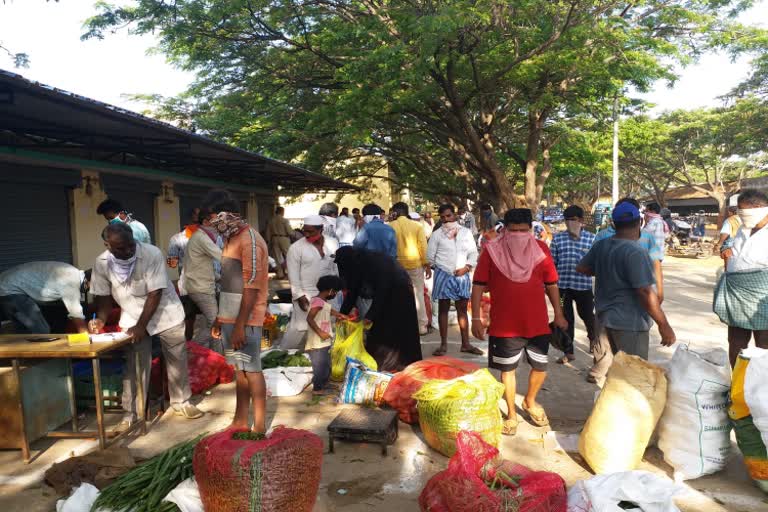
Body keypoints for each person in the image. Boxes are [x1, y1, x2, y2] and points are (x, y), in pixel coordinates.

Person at [89, 223, 203, 430]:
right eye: (120, 248)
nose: (127, 251)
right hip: (132, 317)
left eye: (130, 245)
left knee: (176, 359)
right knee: (135, 365)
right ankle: (132, 413)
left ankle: (181, 402)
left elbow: (155, 293)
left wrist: (142, 326)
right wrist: (101, 320)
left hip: (165, 313)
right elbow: (104, 298)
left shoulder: (151, 253)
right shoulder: (101, 263)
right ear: (107, 245)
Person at [471, 208, 568, 436]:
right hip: (505, 324)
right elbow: (478, 284)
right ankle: (512, 416)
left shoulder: (541, 250)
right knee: (508, 370)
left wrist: (560, 313)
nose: (518, 235)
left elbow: (551, 284)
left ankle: (530, 401)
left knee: (540, 366)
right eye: (513, 230)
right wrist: (476, 317)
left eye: (523, 231)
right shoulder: (491, 251)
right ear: (505, 229)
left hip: (537, 322)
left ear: (530, 230)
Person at [577, 202, 676, 385]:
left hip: (605, 318)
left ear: (613, 224)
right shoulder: (636, 252)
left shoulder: (603, 245)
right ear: (639, 221)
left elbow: (582, 267)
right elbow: (645, 292)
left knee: (616, 372)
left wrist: (608, 269)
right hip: (630, 323)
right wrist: (664, 325)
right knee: (633, 377)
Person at [202, 190, 270, 432]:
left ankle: (259, 426)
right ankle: (240, 419)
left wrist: (240, 325)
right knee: (240, 371)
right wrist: (221, 319)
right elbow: (230, 282)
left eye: (213, 217)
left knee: (252, 371)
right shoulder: (230, 238)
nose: (211, 223)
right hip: (231, 316)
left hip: (247, 319)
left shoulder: (250, 240)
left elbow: (251, 287)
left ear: (227, 215)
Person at [336, 246, 423, 371]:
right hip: (386, 294)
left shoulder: (375, 263)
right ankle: (383, 362)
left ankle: (398, 364)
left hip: (399, 292)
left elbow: (382, 291)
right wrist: (341, 314)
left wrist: (369, 316)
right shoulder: (358, 264)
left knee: (395, 328)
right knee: (380, 329)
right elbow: (353, 292)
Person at [717, 189, 768, 366]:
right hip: (737, 298)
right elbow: (730, 241)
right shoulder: (743, 228)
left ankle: (762, 386)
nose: (740, 214)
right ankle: (737, 383)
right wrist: (725, 247)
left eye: (743, 210)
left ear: (760, 208)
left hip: (762, 299)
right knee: (736, 343)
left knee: (764, 344)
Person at [427, 204, 481, 356]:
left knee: (462, 309)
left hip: (462, 274)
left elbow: (473, 253)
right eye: (443, 217)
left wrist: (467, 267)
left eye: (448, 216)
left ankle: (466, 344)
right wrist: (442, 267)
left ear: (455, 215)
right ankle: (443, 345)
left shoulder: (465, 233)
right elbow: (430, 256)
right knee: (443, 309)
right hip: (443, 274)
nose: (446, 219)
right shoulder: (437, 234)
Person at [594, 197, 665, 303]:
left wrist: (659, 291)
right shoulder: (602, 237)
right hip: (609, 301)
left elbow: (656, 263)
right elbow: (592, 266)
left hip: (640, 300)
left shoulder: (647, 237)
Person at [283, 215, 339, 349]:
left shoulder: (332, 243)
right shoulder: (296, 248)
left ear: (321, 229)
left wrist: (336, 289)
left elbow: (335, 268)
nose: (307, 235)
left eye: (311, 231)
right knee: (300, 327)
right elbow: (293, 275)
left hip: (329, 294)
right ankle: (287, 352)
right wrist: (299, 296)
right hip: (306, 294)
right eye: (305, 231)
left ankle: (323, 356)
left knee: (327, 325)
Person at [549, 205, 596, 364]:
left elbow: (596, 264)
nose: (571, 223)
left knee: (589, 317)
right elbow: (551, 264)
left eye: (574, 220)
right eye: (567, 220)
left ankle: (594, 344)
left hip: (584, 288)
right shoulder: (557, 239)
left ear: (581, 221)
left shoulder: (591, 238)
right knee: (565, 319)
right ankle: (568, 352)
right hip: (563, 289)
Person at [0, 262, 90, 334]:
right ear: (87, 281)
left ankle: (19, 354)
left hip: (7, 284)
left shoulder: (72, 272)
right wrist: (87, 338)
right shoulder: (71, 281)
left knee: (24, 330)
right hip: (10, 289)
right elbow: (76, 314)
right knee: (41, 330)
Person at [183, 210, 223, 353]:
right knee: (216, 325)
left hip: (201, 285)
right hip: (201, 288)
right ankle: (188, 351)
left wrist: (220, 278)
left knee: (211, 325)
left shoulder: (202, 236)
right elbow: (223, 257)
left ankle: (212, 356)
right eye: (216, 221)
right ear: (206, 222)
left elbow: (203, 266)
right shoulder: (201, 237)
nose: (219, 225)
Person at [390, 202, 432, 335]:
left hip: (396, 266)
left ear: (395, 212)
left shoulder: (390, 226)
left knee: (397, 295)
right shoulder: (417, 226)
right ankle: (422, 326)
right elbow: (423, 247)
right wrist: (427, 265)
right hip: (415, 264)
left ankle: (401, 325)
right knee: (418, 294)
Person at [306, 275, 348, 395]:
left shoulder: (322, 301)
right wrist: (320, 332)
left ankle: (325, 383)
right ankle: (317, 388)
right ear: (330, 290)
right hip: (317, 341)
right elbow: (309, 319)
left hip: (324, 340)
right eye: (335, 292)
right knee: (319, 366)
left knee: (326, 363)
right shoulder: (317, 302)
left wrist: (339, 315)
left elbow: (328, 310)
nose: (335, 294)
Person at [168, 208, 202, 340]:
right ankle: (191, 346)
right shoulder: (213, 237)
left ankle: (191, 347)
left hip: (199, 285)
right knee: (192, 317)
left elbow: (172, 263)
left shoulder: (177, 239)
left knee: (192, 318)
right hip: (196, 285)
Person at [266, 206, 293, 279]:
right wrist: (292, 235)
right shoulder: (284, 220)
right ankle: (289, 272)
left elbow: (268, 232)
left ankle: (280, 274)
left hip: (274, 238)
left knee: (277, 257)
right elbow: (289, 231)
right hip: (284, 238)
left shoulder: (271, 220)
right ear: (282, 212)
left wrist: (268, 240)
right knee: (289, 255)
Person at [714, 199, 742, 269]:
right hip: (741, 243)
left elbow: (725, 233)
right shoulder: (743, 219)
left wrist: (719, 244)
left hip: (730, 244)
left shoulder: (729, 220)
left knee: (728, 267)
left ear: (730, 212)